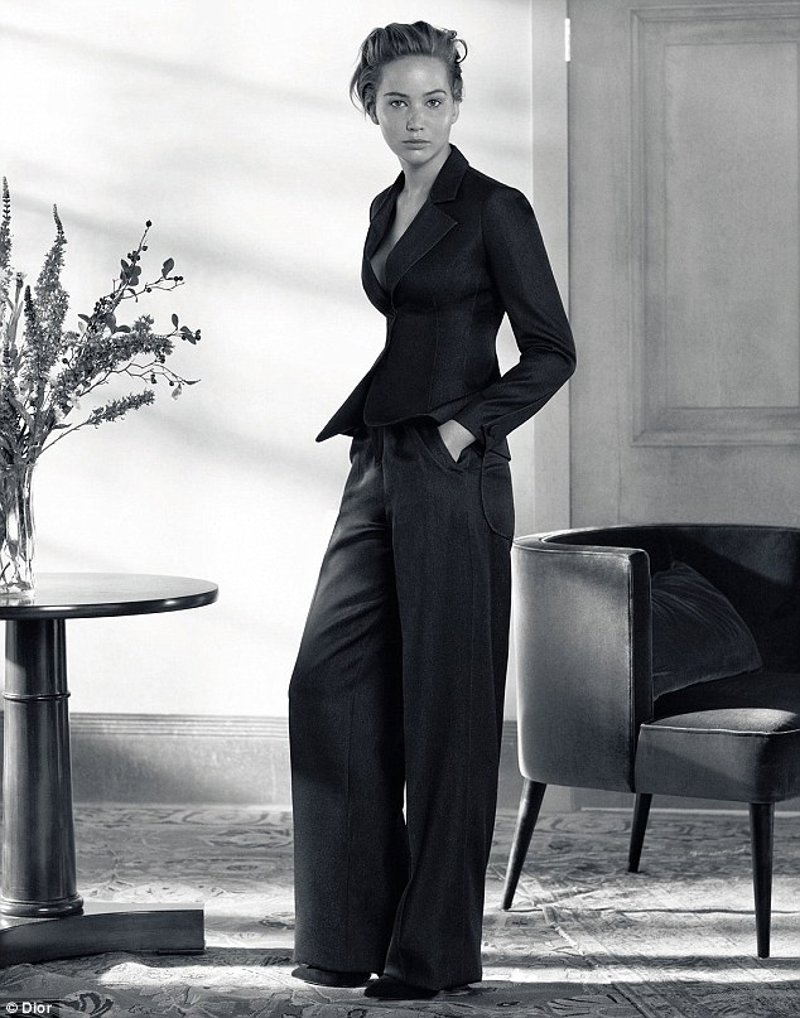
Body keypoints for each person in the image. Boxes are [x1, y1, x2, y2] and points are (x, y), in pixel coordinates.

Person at [288, 20, 575, 1000]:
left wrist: (464, 428)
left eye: (434, 100)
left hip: (453, 473)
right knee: (326, 683)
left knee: (446, 714)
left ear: (456, 104)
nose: (416, 119)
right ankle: (343, 935)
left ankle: (433, 955)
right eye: (397, 102)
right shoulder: (385, 204)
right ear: (370, 106)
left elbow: (551, 350)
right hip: (377, 458)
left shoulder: (494, 207)